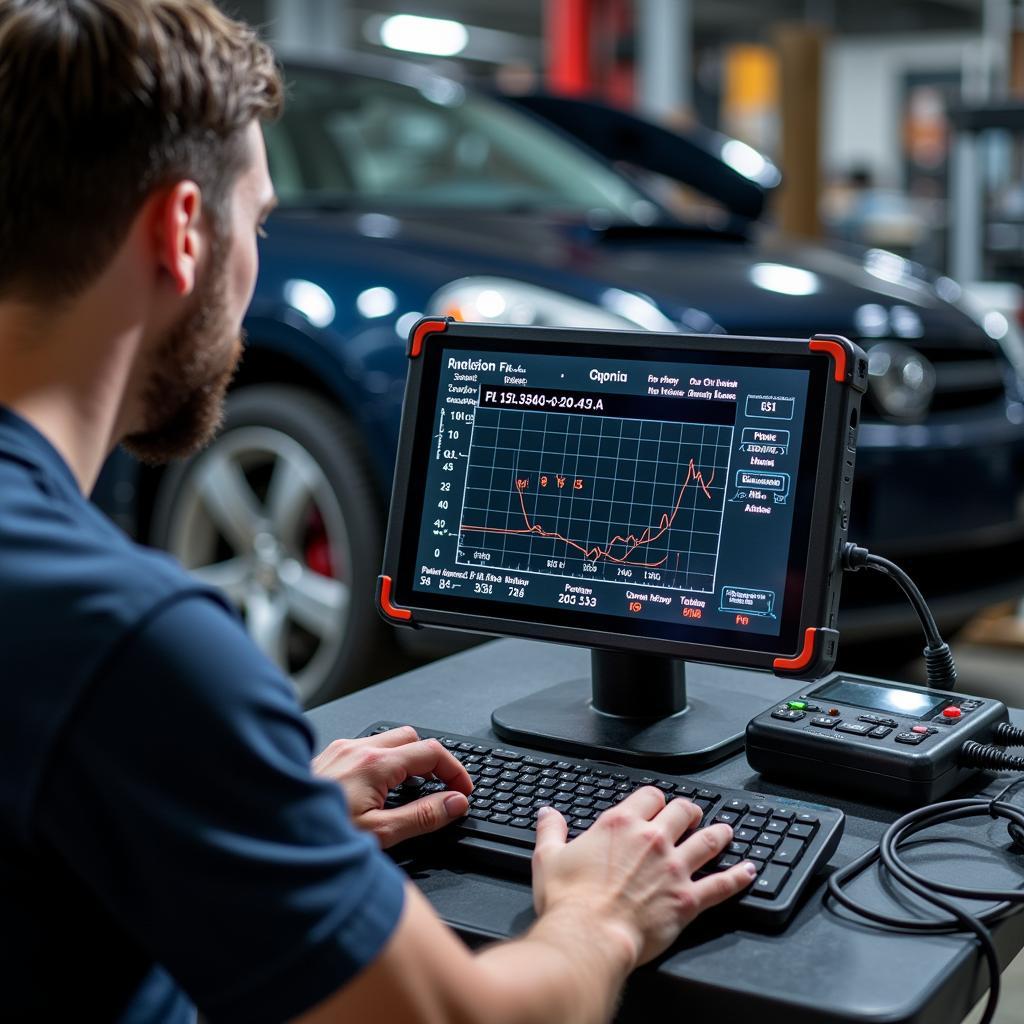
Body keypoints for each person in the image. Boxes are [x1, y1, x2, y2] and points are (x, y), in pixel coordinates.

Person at [0, 2, 756, 1021]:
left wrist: (258, 807)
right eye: (257, 221)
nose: (255, 252)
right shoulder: (126, 641)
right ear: (184, 232)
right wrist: (603, 917)